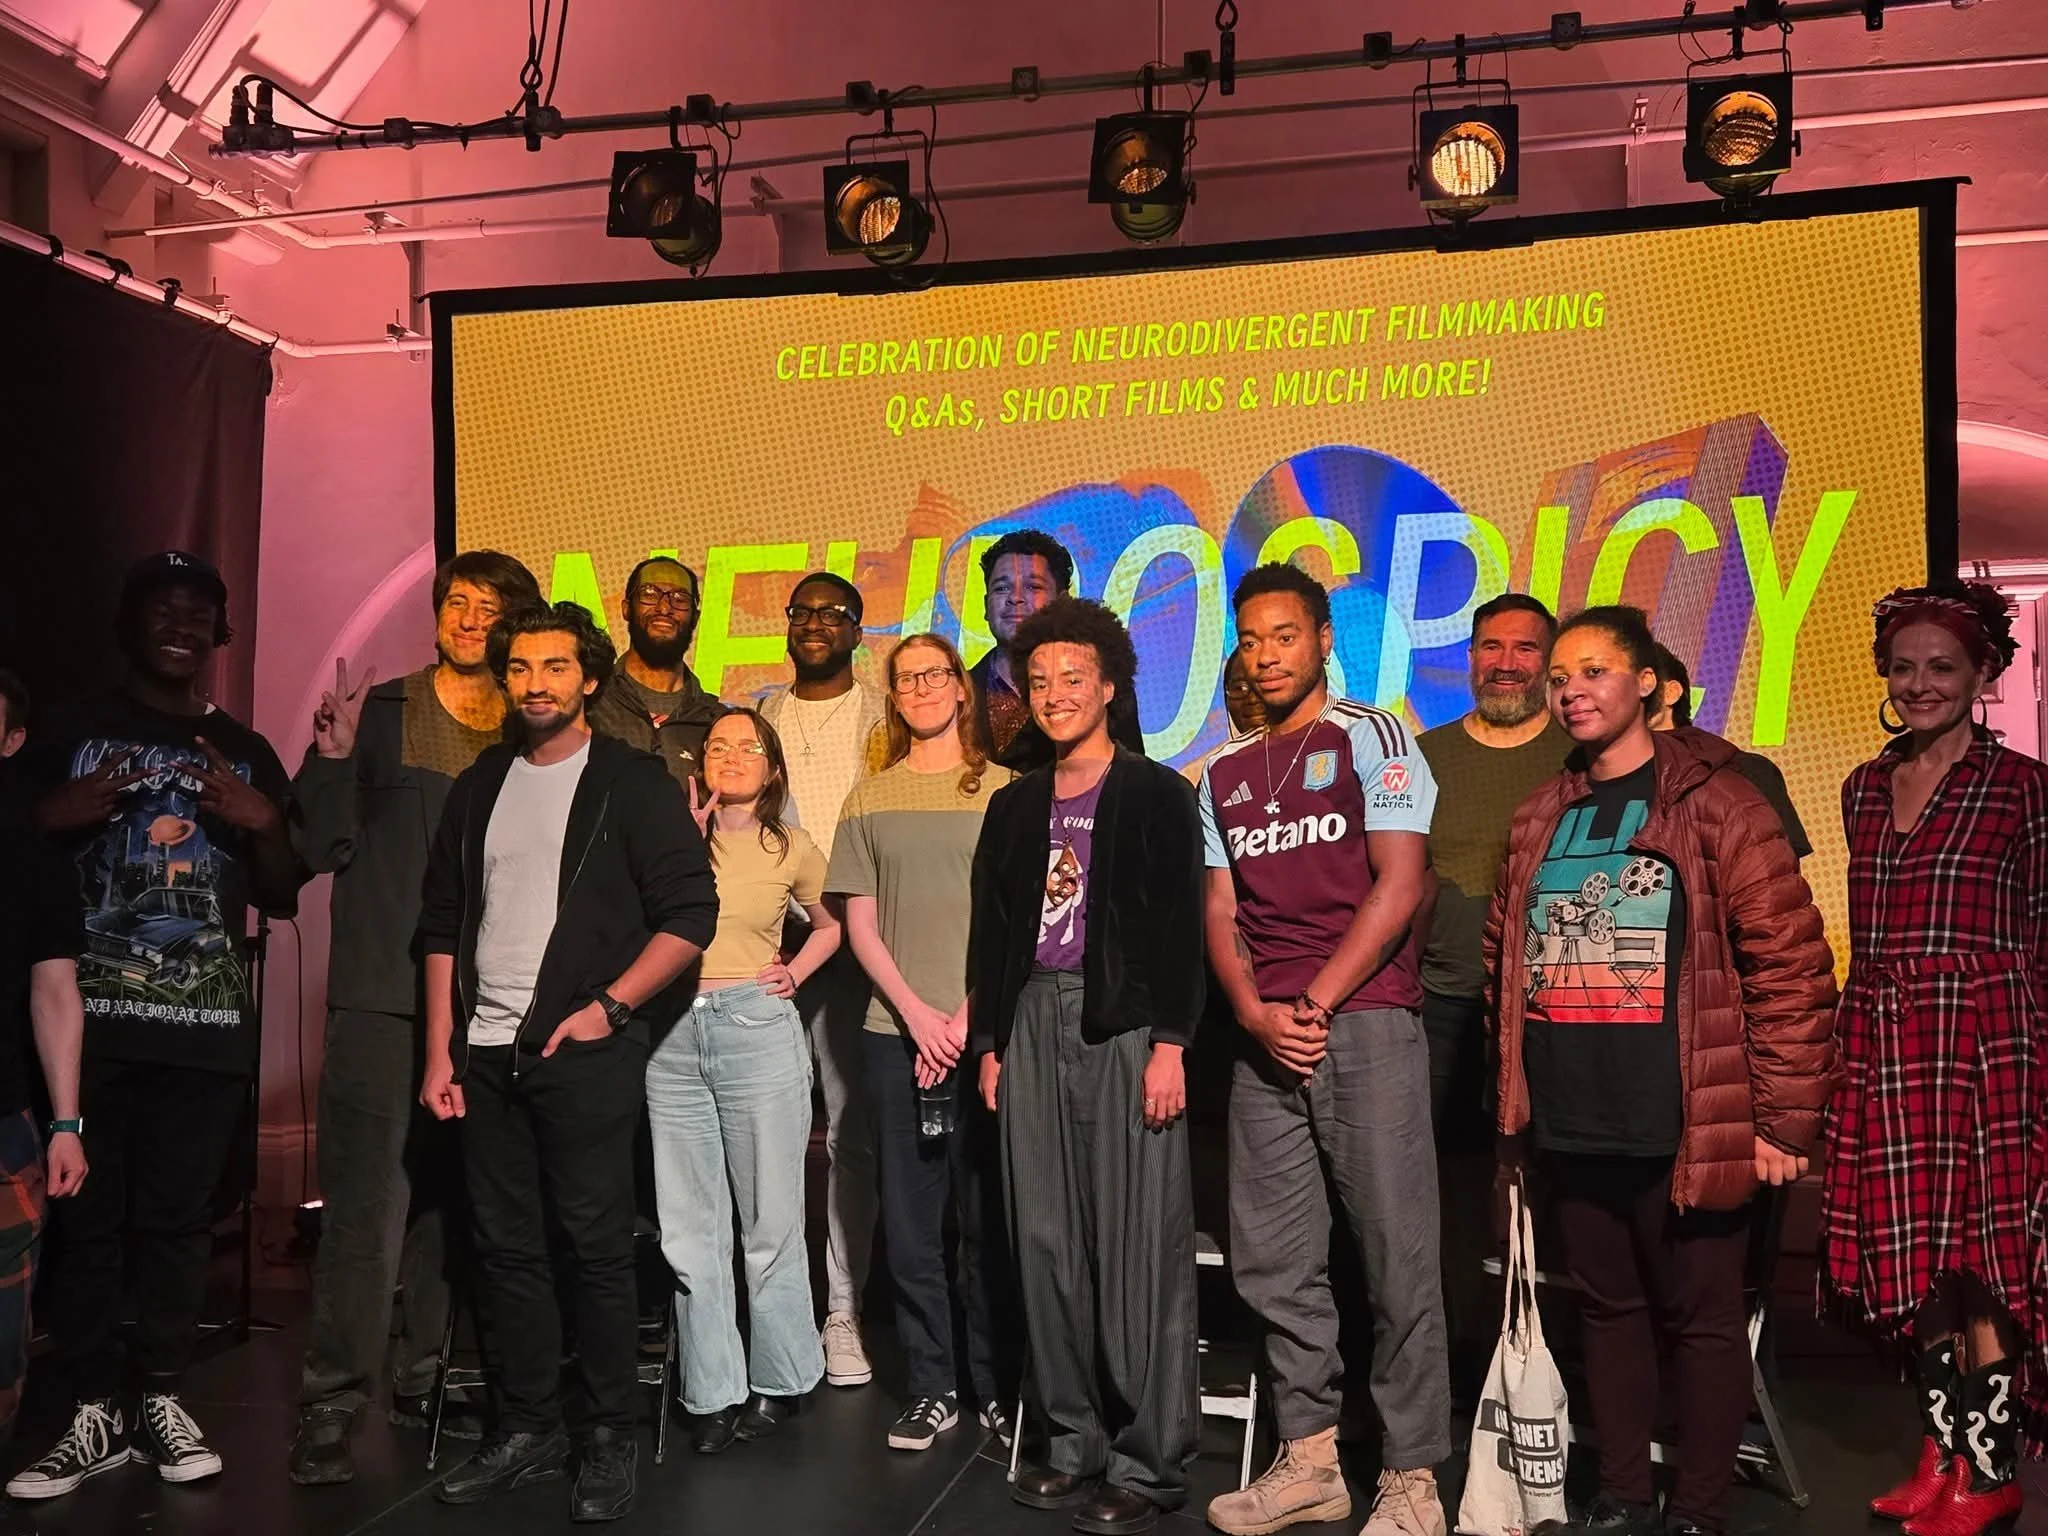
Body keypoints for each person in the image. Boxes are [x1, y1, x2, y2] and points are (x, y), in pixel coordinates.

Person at [1484, 603, 1838, 1536]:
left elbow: (1791, 966)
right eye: (1560, 677)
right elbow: (1503, 968)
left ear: (1647, 682)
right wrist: (1514, 1117)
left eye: (1593, 671)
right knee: (1606, 1311)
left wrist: (1781, 1124)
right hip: (1571, 1117)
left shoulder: (1722, 802)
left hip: (1688, 1120)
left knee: (1705, 1323)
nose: (1571, 690)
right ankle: (1624, 1493)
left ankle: (1700, 1510)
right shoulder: (1537, 818)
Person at [418, 602, 717, 1523]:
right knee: (505, 1249)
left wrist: (609, 1009)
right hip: (483, 1056)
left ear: (590, 679)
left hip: (580, 1052)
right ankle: (529, 1428)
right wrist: (440, 1050)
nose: (536, 683)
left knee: (593, 1249)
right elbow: (439, 926)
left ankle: (607, 1436)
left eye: (555, 667)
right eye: (520, 668)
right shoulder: (478, 786)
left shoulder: (630, 780)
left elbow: (689, 917)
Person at [10, 552, 299, 1501]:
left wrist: (262, 820)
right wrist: (53, 814)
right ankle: (93, 1408)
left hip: (204, 1025)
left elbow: (284, 890)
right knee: (87, 1225)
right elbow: (11, 846)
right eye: (160, 609)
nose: (179, 625)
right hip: (83, 1030)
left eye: (197, 613)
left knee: (177, 1225)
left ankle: (164, 1396)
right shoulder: (66, 733)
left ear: (219, 635)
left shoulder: (247, 748)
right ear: (129, 625)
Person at [1199, 562, 1451, 1536]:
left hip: (1365, 1022)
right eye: (1250, 640)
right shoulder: (1220, 772)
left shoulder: (1372, 734)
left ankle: (1410, 1480)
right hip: (1266, 1038)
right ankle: (1309, 1462)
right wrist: (1257, 1013)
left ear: (1318, 639)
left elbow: (1399, 885)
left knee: (1396, 1259)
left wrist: (1309, 998)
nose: (1264, 656)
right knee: (1269, 1260)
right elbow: (1219, 913)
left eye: (1282, 636)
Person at [285, 549, 542, 1484]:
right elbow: (312, 846)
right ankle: (330, 1402)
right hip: (383, 1001)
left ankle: (424, 1376)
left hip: (494, 1006)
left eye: (489, 606)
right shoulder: (381, 713)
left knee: (456, 1206)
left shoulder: (528, 732)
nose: (469, 617)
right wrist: (335, 753)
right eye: (456, 602)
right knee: (365, 1211)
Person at [971, 598, 1202, 1535]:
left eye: (1074, 679)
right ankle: (1072, 1442)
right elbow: (992, 935)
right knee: (1044, 1242)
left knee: (1137, 1247)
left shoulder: (1153, 793)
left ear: (1108, 686)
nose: (1055, 695)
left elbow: (1180, 925)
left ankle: (1149, 1462)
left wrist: (1172, 1044)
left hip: (1123, 1031)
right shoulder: (1014, 803)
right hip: (1028, 1023)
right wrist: (989, 1042)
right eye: (1039, 683)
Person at [1820, 582, 2046, 1536]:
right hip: (1882, 1035)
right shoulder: (1863, 786)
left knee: (1983, 1262)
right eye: (1904, 667)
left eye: (1942, 667)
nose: (1920, 684)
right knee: (1916, 1256)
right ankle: (1941, 1451)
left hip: (1989, 1037)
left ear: (1983, 675)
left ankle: (1988, 1471)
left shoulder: (2024, 787)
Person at [828, 632, 1016, 1454]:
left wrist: (967, 1019)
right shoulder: (868, 799)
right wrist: (915, 1015)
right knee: (909, 1225)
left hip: (986, 1037)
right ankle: (933, 1387)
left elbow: (1017, 924)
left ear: (962, 690)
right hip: (892, 1035)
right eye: (908, 680)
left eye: (937, 674)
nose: (924, 689)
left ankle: (995, 1387)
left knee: (988, 1219)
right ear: (895, 697)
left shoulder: (1009, 792)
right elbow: (859, 927)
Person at [647, 708, 839, 1456]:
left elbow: (830, 923)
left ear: (771, 766)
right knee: (689, 1230)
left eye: (747, 746)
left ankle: (781, 1379)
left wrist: (792, 971)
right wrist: (685, 841)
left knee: (768, 1223)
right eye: (718, 745)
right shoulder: (671, 840)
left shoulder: (790, 844)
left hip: (754, 1028)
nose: (730, 755)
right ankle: (713, 1388)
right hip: (670, 1035)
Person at [1414, 593, 1568, 1393]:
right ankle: (1455, 1366)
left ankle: (1538, 1367)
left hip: (1550, 1013)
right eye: (1489, 647)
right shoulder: (1424, 754)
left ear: (1549, 661)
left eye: (1524, 648)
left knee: (1544, 1191)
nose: (1504, 662)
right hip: (1439, 1007)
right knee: (1443, 1192)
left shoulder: (1580, 756)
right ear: (1468, 656)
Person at [755, 570, 886, 1388]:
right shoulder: (760, 717)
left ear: (856, 630)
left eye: (832, 614)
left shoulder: (883, 717)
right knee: (764, 1140)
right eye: (801, 612)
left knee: (851, 1141)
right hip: (772, 948)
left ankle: (843, 1310)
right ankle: (776, 1312)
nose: (814, 624)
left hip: (859, 944)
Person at [0, 683, 89, 1457]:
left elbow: (54, 992)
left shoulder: (31, 858)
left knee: (2, 1349)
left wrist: (67, 1123)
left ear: (9, 741)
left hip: (4, 1125)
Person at [969, 530, 1146, 770]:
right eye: (1002, 588)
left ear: (1062, 600)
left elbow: (1131, 775)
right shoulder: (960, 689)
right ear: (985, 605)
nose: (1015, 598)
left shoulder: (1101, 684)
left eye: (1033, 586)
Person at [1646, 642, 1812, 859]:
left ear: (1671, 693)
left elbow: (1775, 872)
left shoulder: (1745, 769)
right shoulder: (1596, 774)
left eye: (1642, 682)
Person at [587, 556, 724, 786]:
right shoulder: (590, 702)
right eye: (649, 594)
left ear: (695, 618)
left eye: (680, 599)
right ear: (626, 608)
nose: (664, 608)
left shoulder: (715, 720)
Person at [1180, 651, 1267, 789]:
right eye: (1240, 688)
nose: (1252, 699)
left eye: (1262, 685)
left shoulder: (1310, 761)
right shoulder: (1212, 776)